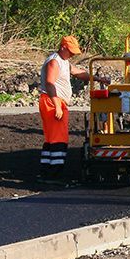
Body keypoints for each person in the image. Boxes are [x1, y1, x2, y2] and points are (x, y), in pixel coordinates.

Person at [38, 36, 94, 183]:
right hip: (53, 102)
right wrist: (57, 105)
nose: (73, 54)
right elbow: (50, 83)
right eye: (71, 51)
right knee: (58, 139)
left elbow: (77, 72)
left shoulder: (63, 62)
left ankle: (46, 172)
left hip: (53, 101)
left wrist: (97, 78)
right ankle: (54, 175)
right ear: (63, 47)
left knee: (51, 139)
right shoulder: (54, 62)